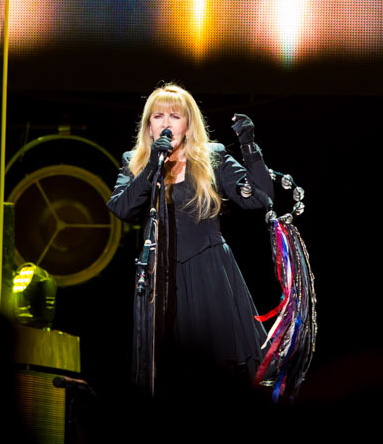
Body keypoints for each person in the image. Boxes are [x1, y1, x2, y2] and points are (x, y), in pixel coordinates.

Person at [107, 83, 274, 391]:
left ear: (188, 124)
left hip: (210, 271)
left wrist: (249, 146)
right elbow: (121, 208)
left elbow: (259, 198)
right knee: (167, 371)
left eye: (175, 116)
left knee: (218, 368)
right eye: (158, 116)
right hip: (159, 278)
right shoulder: (135, 161)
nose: (166, 124)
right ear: (149, 125)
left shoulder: (213, 157)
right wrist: (152, 166)